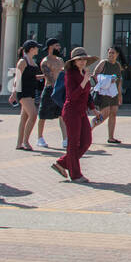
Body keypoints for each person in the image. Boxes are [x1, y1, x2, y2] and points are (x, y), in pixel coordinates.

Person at [52, 47, 97, 183]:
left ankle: (63, 163)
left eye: (84, 59)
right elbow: (72, 95)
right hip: (71, 112)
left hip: (82, 112)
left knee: (86, 141)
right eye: (79, 59)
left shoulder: (84, 72)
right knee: (73, 143)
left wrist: (93, 109)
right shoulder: (70, 74)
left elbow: (87, 94)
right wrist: (84, 82)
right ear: (74, 61)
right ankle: (75, 175)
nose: (83, 62)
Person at [8, 39, 42, 151]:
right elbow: (17, 78)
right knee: (33, 115)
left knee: (24, 118)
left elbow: (31, 77)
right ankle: (26, 141)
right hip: (23, 92)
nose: (38, 49)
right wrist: (13, 94)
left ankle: (19, 143)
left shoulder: (32, 61)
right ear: (31, 49)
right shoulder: (22, 61)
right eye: (36, 47)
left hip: (31, 91)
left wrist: (44, 76)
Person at [37, 38, 67, 149]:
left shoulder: (60, 60)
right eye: (56, 46)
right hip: (49, 89)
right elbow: (48, 77)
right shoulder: (45, 62)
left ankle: (65, 139)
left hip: (61, 89)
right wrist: (56, 86)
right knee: (43, 115)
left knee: (62, 115)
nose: (59, 48)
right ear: (50, 47)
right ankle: (40, 137)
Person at [90, 46, 124, 143]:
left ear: (117, 54)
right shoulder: (104, 63)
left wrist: (120, 95)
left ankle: (111, 137)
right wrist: (106, 80)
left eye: (113, 53)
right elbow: (95, 75)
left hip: (113, 93)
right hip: (104, 92)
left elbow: (119, 81)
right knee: (104, 113)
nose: (111, 55)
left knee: (113, 112)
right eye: (109, 53)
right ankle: (90, 128)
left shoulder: (118, 65)